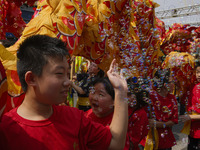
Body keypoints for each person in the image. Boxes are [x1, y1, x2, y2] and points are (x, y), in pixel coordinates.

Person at [0, 34, 128, 150]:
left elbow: (114, 143)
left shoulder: (74, 118)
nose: (67, 82)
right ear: (32, 78)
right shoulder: (6, 129)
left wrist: (120, 92)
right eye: (60, 74)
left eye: (67, 74)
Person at [85, 77, 149, 150]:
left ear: (114, 101)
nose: (94, 97)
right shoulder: (86, 115)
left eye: (101, 94)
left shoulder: (119, 122)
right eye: (92, 92)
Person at [141, 69, 178, 150]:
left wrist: (158, 124)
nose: (174, 84)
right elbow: (144, 119)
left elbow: (173, 121)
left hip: (165, 141)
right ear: (165, 85)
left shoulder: (172, 98)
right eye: (171, 82)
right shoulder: (149, 96)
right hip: (149, 140)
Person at [180, 61, 200, 150]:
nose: (199, 75)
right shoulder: (193, 87)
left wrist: (190, 117)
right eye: (198, 72)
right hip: (192, 131)